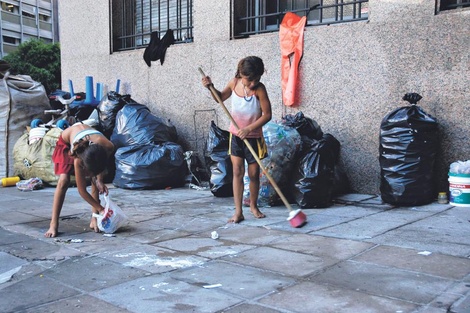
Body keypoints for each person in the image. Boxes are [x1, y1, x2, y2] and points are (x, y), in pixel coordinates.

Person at [202, 56, 272, 223]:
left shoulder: (259, 89)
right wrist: (210, 87)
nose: (254, 83)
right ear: (241, 74)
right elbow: (219, 97)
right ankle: (238, 212)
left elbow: (267, 115)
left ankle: (254, 206)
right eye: (250, 79)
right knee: (237, 171)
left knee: (254, 173)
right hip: (236, 137)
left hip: (254, 137)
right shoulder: (234, 83)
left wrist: (249, 128)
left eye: (257, 79)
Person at [45, 123, 115, 237]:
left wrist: (99, 180)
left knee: (95, 183)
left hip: (89, 143)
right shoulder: (78, 158)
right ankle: (53, 223)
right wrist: (102, 209)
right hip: (67, 142)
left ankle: (94, 219)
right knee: (64, 181)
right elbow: (82, 191)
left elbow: (101, 165)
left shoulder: (108, 146)